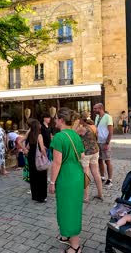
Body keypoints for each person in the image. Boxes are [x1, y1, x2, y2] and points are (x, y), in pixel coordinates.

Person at [49, 107, 85, 253]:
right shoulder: (75, 135)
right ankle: (67, 235)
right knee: (73, 207)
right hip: (76, 175)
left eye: (56, 118)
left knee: (68, 209)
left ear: (62, 120)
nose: (55, 120)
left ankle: (75, 246)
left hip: (66, 177)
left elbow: (56, 163)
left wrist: (52, 182)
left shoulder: (59, 137)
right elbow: (82, 156)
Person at [76, 117, 103, 202]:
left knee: (86, 175)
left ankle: (86, 197)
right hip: (95, 151)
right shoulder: (93, 127)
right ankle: (100, 194)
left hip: (86, 153)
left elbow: (73, 135)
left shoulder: (82, 129)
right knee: (96, 172)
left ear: (81, 120)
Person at [26, 120, 48, 202]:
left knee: (33, 176)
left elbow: (27, 146)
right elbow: (42, 149)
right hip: (38, 158)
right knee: (42, 176)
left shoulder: (30, 134)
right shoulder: (39, 135)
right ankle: (41, 197)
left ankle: (35, 195)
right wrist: (45, 157)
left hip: (31, 157)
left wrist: (25, 149)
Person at [93, 103, 114, 187]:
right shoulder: (97, 117)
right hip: (98, 141)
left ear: (100, 108)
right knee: (99, 160)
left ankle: (110, 179)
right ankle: (102, 177)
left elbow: (111, 131)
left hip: (105, 142)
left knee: (107, 160)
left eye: (95, 108)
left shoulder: (108, 117)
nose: (94, 110)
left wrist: (107, 143)